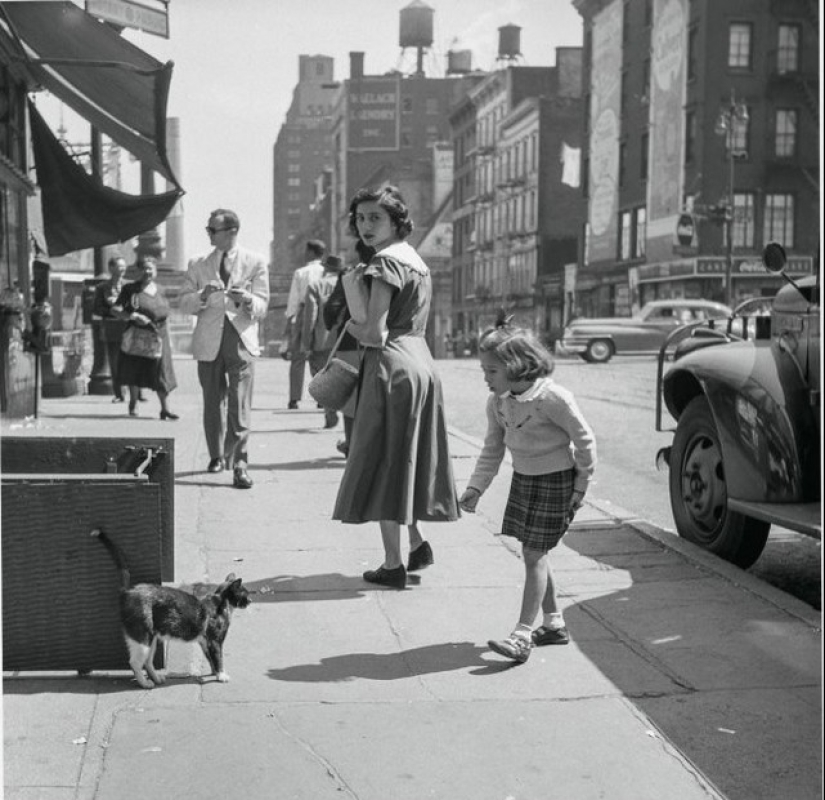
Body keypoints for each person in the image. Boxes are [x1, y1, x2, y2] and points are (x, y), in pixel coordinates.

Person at [332, 185, 459, 590]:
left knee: (385, 462)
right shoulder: (417, 262)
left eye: (375, 218)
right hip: (421, 362)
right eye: (361, 218)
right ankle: (417, 543)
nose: (366, 226)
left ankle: (392, 563)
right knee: (409, 459)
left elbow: (374, 332)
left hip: (390, 366)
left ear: (396, 222)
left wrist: (350, 323)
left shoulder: (384, 264)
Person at [459, 316, 596, 663]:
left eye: (491, 371)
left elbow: (585, 442)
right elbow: (493, 447)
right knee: (535, 553)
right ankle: (553, 625)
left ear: (516, 367)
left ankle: (521, 636)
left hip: (557, 483)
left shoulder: (553, 399)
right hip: (525, 481)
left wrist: (580, 486)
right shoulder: (499, 402)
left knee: (534, 554)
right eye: (483, 370)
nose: (485, 378)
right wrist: (476, 487)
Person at [179, 209, 270, 489]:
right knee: (212, 402)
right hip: (209, 341)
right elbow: (183, 303)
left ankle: (240, 463)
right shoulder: (197, 264)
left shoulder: (255, 261)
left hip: (240, 340)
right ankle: (217, 455)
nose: (208, 234)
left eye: (212, 230)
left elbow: (263, 305)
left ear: (232, 231)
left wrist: (247, 300)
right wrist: (201, 296)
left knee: (239, 402)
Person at [114, 256, 178, 419]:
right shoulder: (130, 289)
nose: (147, 272)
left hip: (159, 335)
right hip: (138, 335)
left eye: (150, 268)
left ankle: (165, 408)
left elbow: (166, 314)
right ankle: (133, 403)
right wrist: (132, 316)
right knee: (135, 370)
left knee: (162, 371)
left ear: (155, 271)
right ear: (138, 271)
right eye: (144, 268)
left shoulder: (161, 289)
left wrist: (168, 337)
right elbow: (116, 309)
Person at [322, 258, 362, 456]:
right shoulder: (389, 266)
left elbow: (332, 307)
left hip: (351, 340)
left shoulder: (350, 273)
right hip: (382, 343)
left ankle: (351, 444)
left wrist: (332, 325)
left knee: (350, 397)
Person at [301, 254, 344, 430]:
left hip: (322, 341)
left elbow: (310, 317)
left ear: (325, 268)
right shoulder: (348, 283)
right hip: (345, 340)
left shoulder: (315, 286)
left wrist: (307, 343)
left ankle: (330, 410)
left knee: (323, 377)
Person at [284, 239, 325, 409]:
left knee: (298, 357)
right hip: (323, 314)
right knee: (319, 357)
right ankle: (321, 398)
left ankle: (294, 398)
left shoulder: (301, 272)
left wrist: (289, 319)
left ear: (311, 252)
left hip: (304, 312)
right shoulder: (326, 272)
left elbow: (294, 298)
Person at [92, 255, 129, 403]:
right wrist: (112, 311)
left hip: (128, 328)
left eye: (124, 266)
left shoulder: (130, 286)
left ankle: (135, 392)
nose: (122, 269)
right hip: (112, 328)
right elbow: (97, 308)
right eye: (119, 266)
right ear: (111, 268)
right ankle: (119, 393)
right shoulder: (102, 288)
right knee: (115, 362)